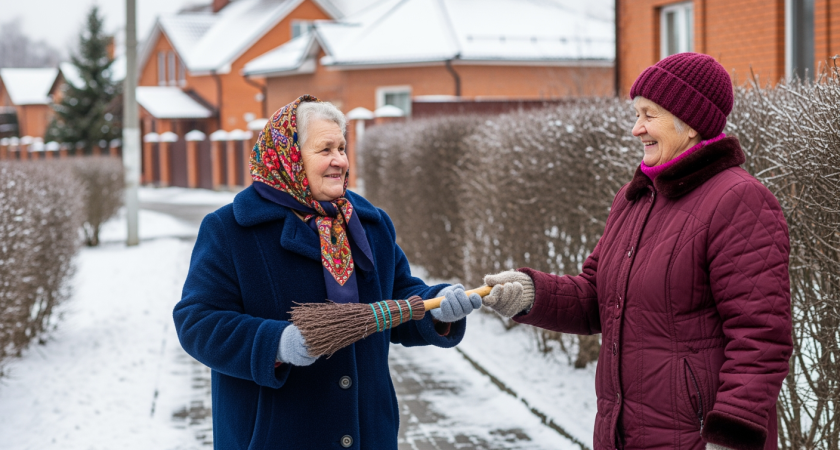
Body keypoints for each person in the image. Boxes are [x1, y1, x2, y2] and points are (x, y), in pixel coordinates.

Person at [481, 53, 792, 450]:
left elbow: (761, 336)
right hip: (621, 434)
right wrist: (530, 292)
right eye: (637, 114)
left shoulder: (739, 201)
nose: (635, 129)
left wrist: (729, 436)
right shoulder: (634, 200)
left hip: (696, 439)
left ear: (691, 122)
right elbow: (597, 298)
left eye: (649, 115)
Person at [173, 95, 481, 449]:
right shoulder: (231, 230)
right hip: (276, 436)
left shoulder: (369, 224)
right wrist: (276, 343)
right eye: (325, 150)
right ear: (288, 157)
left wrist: (435, 306)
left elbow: (398, 292)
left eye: (342, 148)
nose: (340, 161)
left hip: (368, 433)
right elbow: (197, 322)